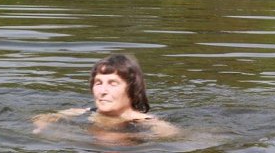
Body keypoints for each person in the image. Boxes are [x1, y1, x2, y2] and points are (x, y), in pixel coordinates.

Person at [32, 53, 178, 139]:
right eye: (98, 83)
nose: (103, 90)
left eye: (113, 83)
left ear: (132, 89)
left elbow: (173, 136)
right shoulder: (83, 112)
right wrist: (43, 127)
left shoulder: (148, 123)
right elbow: (43, 117)